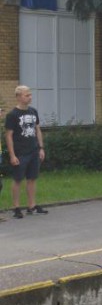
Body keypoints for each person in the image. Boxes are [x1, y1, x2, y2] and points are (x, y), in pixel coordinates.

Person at [4, 86, 48, 219]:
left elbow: (37, 130)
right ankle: (16, 208)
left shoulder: (33, 111)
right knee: (17, 180)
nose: (30, 97)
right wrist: (12, 155)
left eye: (30, 95)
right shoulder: (12, 115)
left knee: (32, 179)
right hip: (20, 153)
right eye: (26, 95)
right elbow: (8, 136)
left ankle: (32, 206)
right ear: (18, 97)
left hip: (34, 151)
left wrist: (41, 148)